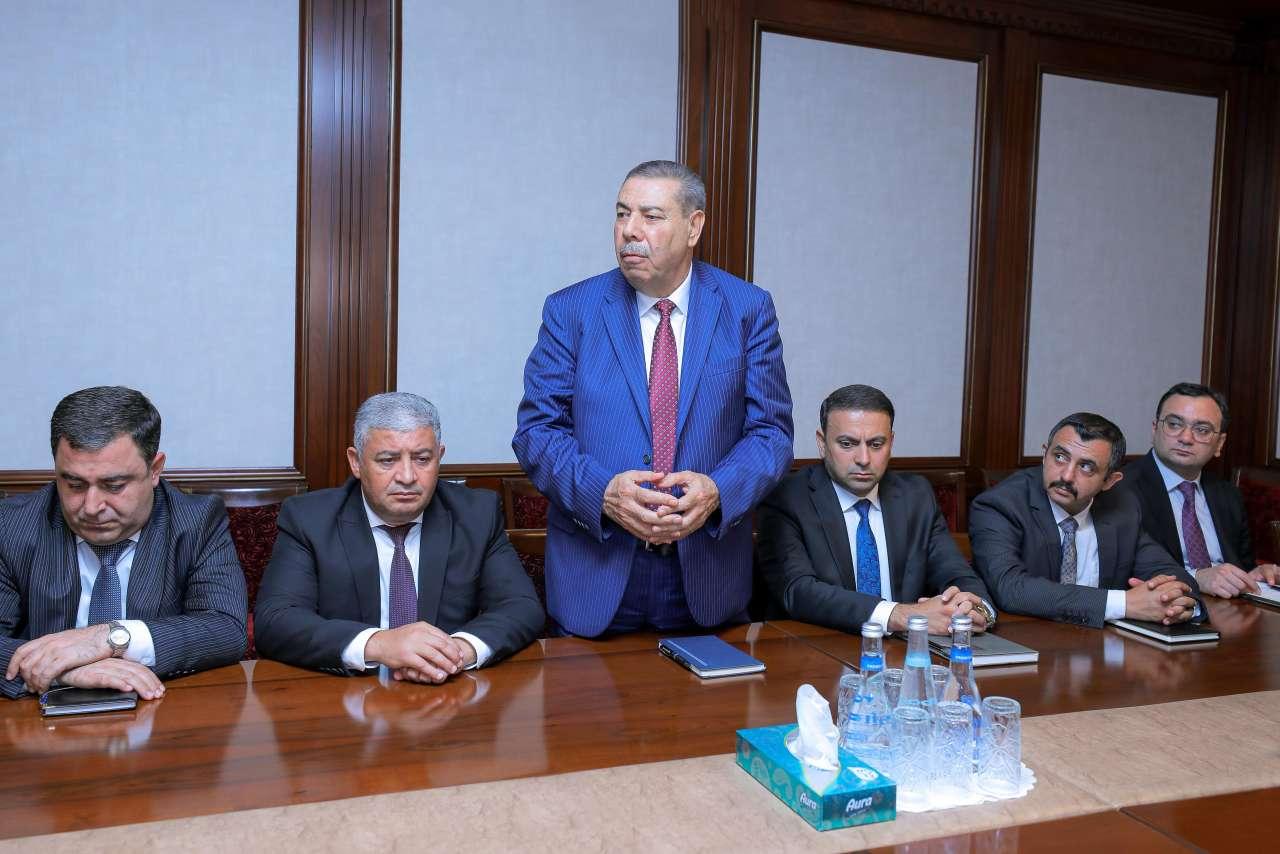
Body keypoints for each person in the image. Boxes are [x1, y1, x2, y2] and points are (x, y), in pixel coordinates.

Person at [512, 160, 793, 637]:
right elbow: (537, 433)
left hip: (706, 572)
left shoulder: (747, 309)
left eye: (651, 216)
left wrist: (718, 490)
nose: (629, 230)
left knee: (714, 689)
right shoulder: (571, 310)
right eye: (622, 214)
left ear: (694, 226)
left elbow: (771, 433)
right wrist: (603, 493)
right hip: (596, 571)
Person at [255, 393, 543, 681]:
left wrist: (455, 652)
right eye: (387, 460)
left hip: (446, 690)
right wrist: (379, 644)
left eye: (422, 459)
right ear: (356, 462)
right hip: (346, 695)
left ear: (439, 457)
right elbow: (276, 621)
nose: (407, 476)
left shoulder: (476, 514)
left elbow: (521, 606)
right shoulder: (309, 520)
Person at [0, 386, 247, 699]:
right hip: (36, 718)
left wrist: (109, 638)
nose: (91, 507)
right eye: (74, 484)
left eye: (113, 485)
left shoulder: (197, 522)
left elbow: (225, 628)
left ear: (154, 470)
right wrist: (65, 672)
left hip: (160, 712)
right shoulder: (11, 526)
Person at [757, 384, 995, 634]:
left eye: (876, 444)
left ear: (891, 442)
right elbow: (799, 592)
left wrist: (973, 608)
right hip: (820, 646)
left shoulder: (916, 496)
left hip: (908, 650)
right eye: (847, 444)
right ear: (822, 442)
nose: (863, 459)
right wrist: (899, 615)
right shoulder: (788, 498)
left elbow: (956, 573)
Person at [969, 412, 1203, 627]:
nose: (1066, 475)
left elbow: (1173, 574)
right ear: (1044, 454)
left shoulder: (1122, 507)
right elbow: (1011, 588)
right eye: (1059, 457)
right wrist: (1125, 604)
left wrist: (1176, 603)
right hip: (1027, 641)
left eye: (1086, 467)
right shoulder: (1001, 505)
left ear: (1110, 481)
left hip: (1102, 647)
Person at [1120, 382, 1278, 598]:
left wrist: (1254, 575)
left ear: (1219, 443)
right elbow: (1119, 573)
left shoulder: (1228, 494)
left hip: (1231, 607)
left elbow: (1241, 565)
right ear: (1155, 429)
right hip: (1165, 606)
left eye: (1202, 430)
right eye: (1174, 424)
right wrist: (1195, 578)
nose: (1186, 438)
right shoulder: (1121, 489)